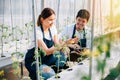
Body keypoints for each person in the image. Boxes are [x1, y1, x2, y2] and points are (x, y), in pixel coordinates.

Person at [25, 8, 66, 80]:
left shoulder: (52, 28)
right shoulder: (37, 32)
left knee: (62, 56)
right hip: (35, 60)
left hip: (46, 58)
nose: (52, 22)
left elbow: (57, 44)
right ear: (42, 19)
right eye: (50, 20)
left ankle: (55, 71)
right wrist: (64, 44)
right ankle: (43, 73)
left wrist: (64, 48)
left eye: (54, 19)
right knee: (49, 74)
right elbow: (46, 52)